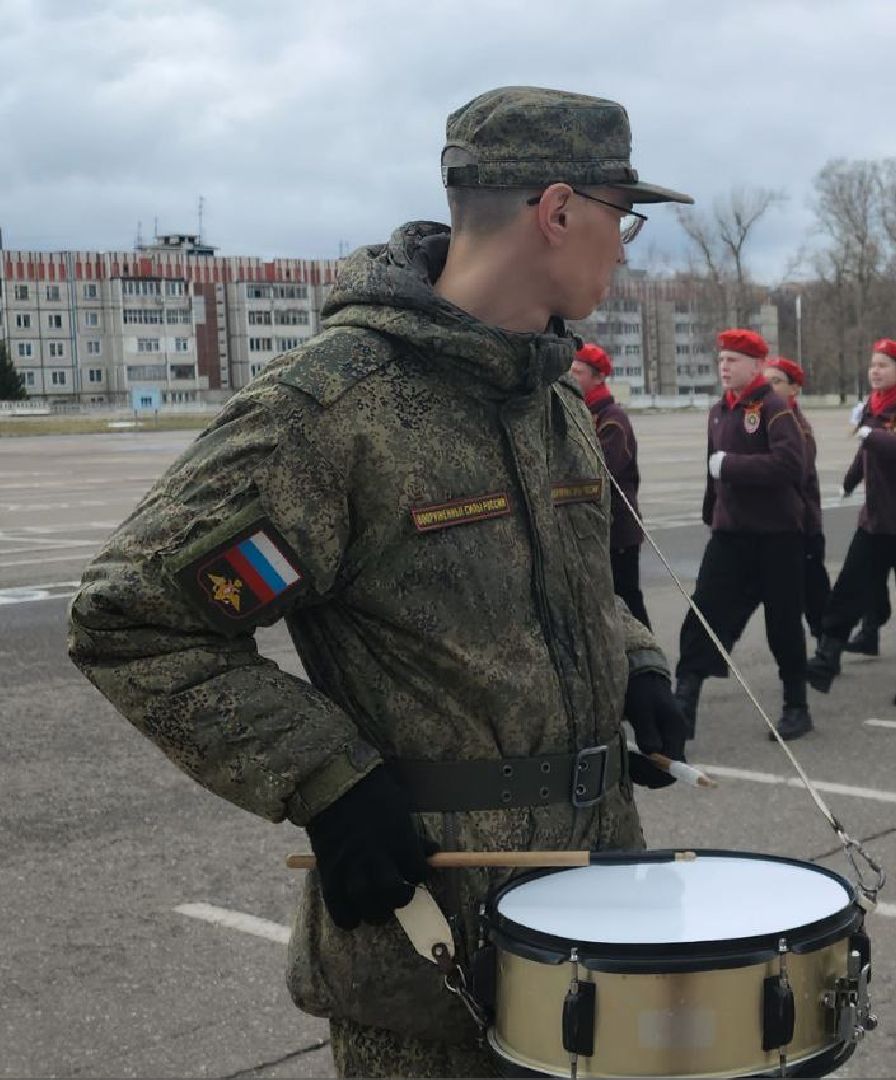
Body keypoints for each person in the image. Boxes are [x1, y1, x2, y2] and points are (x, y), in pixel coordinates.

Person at [65, 86, 694, 1078]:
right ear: (559, 210)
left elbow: (570, 588)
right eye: (624, 216)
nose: (626, 245)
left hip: (590, 911)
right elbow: (134, 619)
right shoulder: (335, 414)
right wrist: (326, 778)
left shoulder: (548, 395)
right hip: (429, 946)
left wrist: (639, 666)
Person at [673, 329, 813, 741]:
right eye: (722, 360)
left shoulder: (774, 408)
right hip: (731, 534)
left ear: (756, 366)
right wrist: (711, 510)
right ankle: (684, 705)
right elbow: (711, 468)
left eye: (733, 360)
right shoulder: (719, 411)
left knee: (783, 623)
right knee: (703, 614)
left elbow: (792, 466)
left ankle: (796, 705)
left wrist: (730, 467)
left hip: (777, 535)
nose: (725, 367)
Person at [806, 338, 896, 705]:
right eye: (872, 365)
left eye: (883, 365)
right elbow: (866, 450)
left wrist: (875, 437)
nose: (875, 371)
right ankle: (826, 658)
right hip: (876, 522)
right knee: (849, 588)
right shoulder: (872, 407)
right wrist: (851, 480)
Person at [573, 342, 649, 627]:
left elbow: (601, 469)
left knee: (627, 600)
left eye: (577, 372)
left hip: (618, 530)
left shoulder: (611, 419)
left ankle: (649, 665)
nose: (570, 377)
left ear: (598, 377)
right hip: (595, 527)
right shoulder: (581, 412)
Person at [762, 356, 830, 638]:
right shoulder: (769, 420)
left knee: (812, 590)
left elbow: (794, 471)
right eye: (765, 382)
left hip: (803, 524)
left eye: (776, 382)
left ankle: (828, 644)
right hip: (778, 524)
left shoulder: (797, 427)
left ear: (794, 389)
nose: (769, 388)